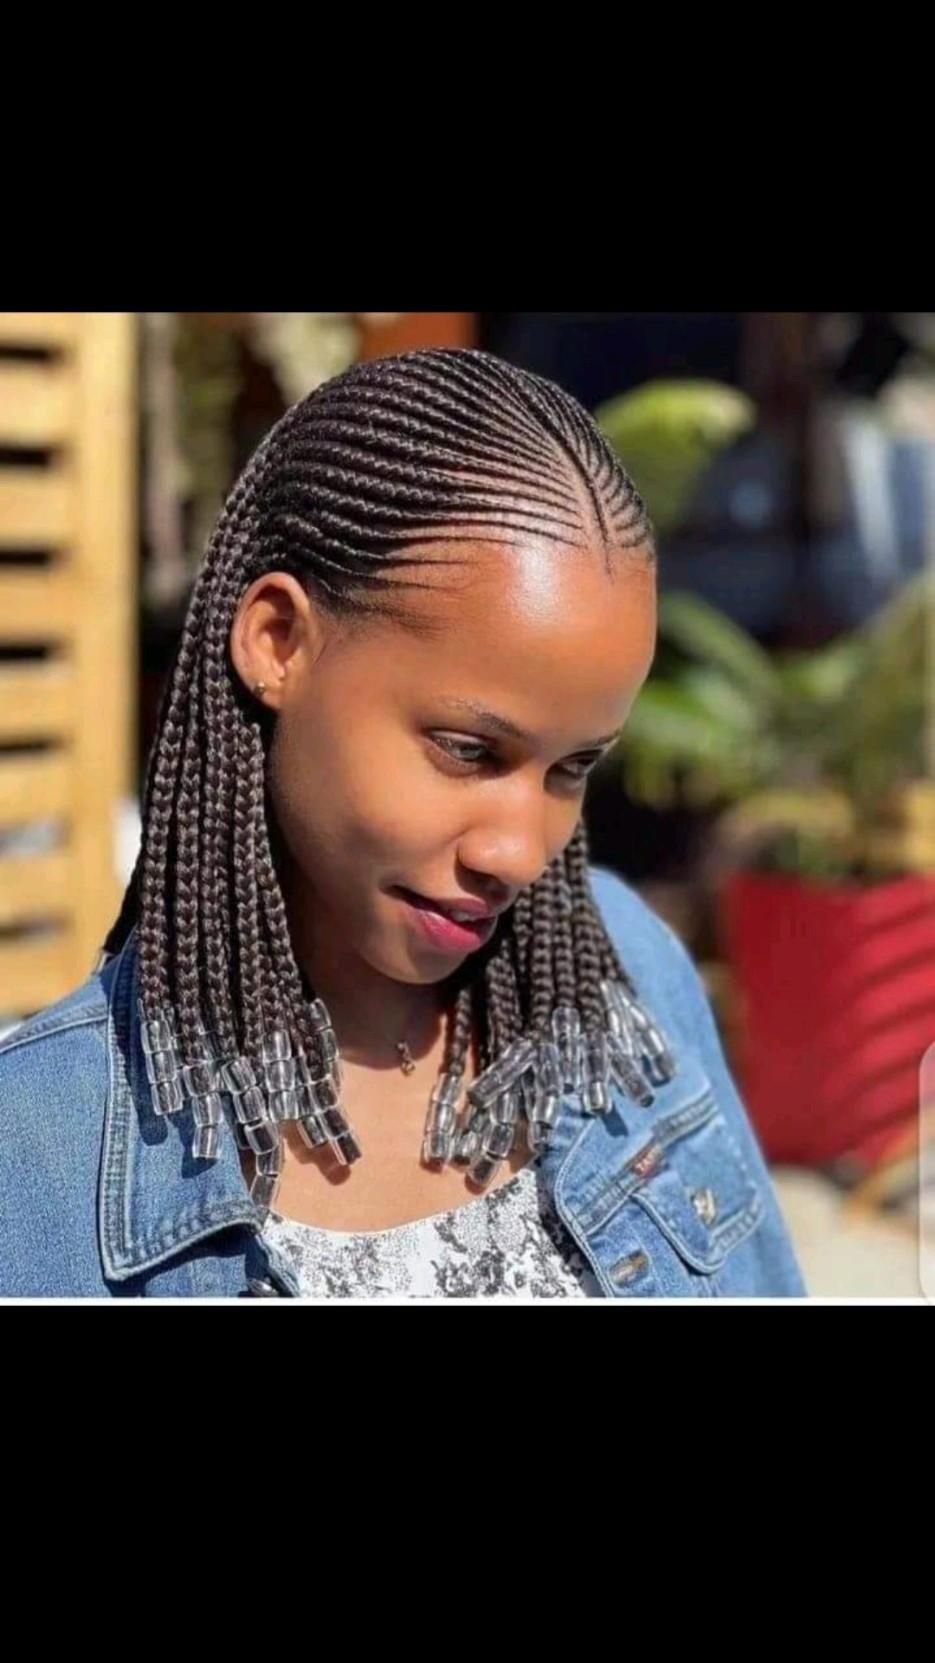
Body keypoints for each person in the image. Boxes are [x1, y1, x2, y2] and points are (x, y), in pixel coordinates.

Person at [0, 348, 805, 1300]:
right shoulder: (34, 1158)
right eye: (467, 750)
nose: (518, 852)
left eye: (573, 766)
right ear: (278, 642)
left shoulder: (624, 974)